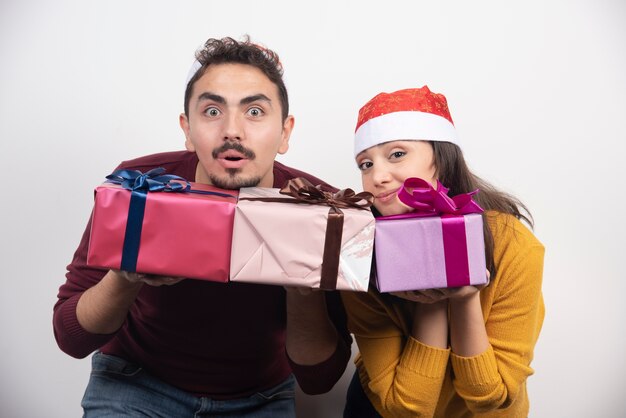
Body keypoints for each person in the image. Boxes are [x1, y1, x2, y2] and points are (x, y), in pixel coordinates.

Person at [53, 36, 351, 417]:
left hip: (259, 398)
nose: (232, 130)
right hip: (136, 382)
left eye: (255, 112)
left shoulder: (319, 209)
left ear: (286, 133)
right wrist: (125, 277)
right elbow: (70, 337)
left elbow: (320, 378)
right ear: (187, 129)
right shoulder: (139, 188)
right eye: (212, 111)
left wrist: (303, 290)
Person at [341, 86, 545, 417]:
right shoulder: (358, 254)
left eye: (396, 154)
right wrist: (433, 300)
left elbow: (489, 397)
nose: (377, 177)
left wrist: (464, 299)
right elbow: (405, 408)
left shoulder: (512, 243)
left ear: (441, 156)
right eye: (365, 163)